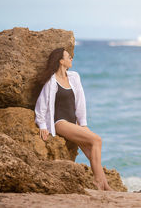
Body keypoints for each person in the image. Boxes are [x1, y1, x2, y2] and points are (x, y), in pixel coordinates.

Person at [34, 47, 113, 191]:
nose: (71, 59)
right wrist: (43, 125)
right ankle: (97, 181)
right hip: (60, 122)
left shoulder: (74, 77)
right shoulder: (51, 81)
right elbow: (41, 105)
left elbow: (80, 102)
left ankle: (105, 185)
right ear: (61, 61)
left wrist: (83, 124)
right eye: (68, 57)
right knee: (97, 140)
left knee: (91, 151)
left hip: (72, 122)